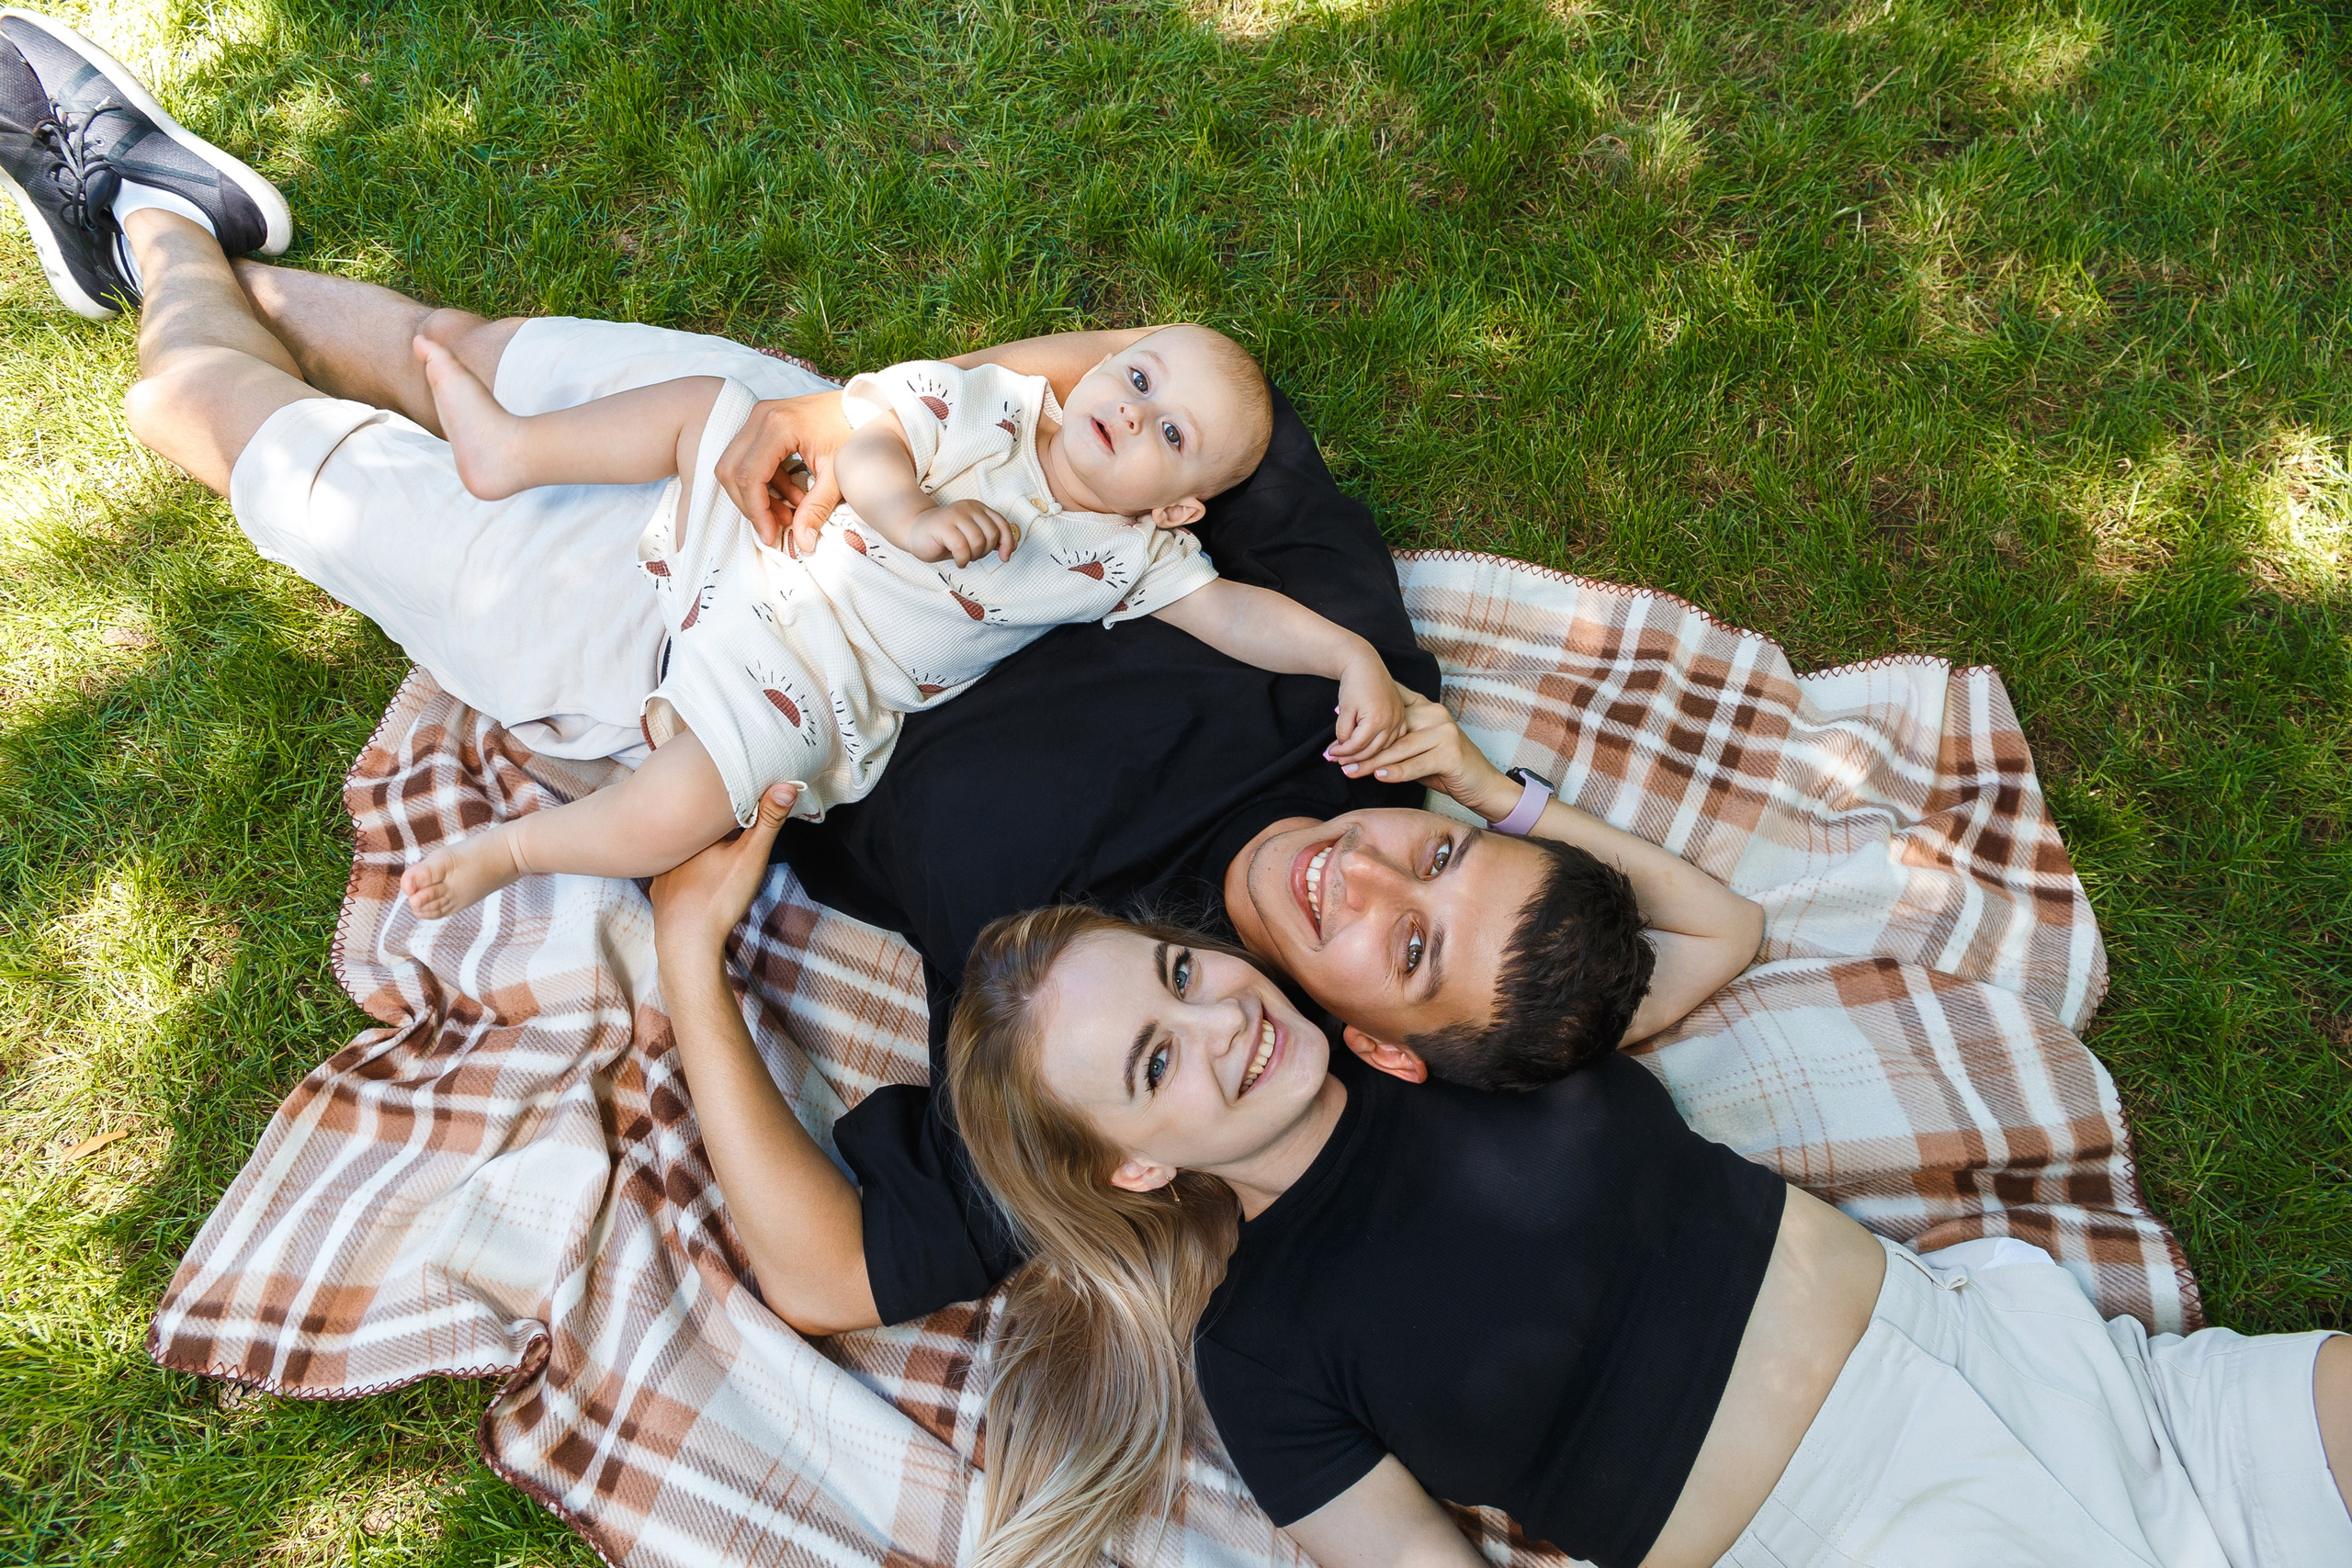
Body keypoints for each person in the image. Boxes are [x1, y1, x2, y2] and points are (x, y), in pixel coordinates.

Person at [0, 8, 1758, 1331]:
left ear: (1382, 1046)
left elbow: (831, 1271)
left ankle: (149, 218)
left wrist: (694, 962)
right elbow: (1218, 403)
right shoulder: (1346, 686)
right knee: (456, 354)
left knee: (215, 425)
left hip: (660, 656)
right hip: (807, 476)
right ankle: (193, 226)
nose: (1370, 873)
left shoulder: (1127, 1034)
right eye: (1440, 858)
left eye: (1407, 947)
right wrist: (895, 420)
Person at [937, 896, 2352, 1568]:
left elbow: (1703, 934)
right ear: (1133, 1163)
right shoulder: (1261, 1350)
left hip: (2037, 1360)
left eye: (1181, 972)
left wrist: (1490, 789)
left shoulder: (1432, 1019)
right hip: (1863, 1533)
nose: (1220, 1018)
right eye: (1155, 1060)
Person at [400, 324, 1408, 919]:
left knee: (697, 799)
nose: (1136, 411)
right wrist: (910, 513)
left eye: (1171, 433)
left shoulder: (1132, 555)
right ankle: (515, 450)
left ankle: (517, 852)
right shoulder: (999, 408)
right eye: (1138, 379)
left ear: (1179, 508)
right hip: (770, 550)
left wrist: (1349, 654)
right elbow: (873, 441)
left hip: (812, 680)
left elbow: (1232, 613)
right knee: (711, 405)